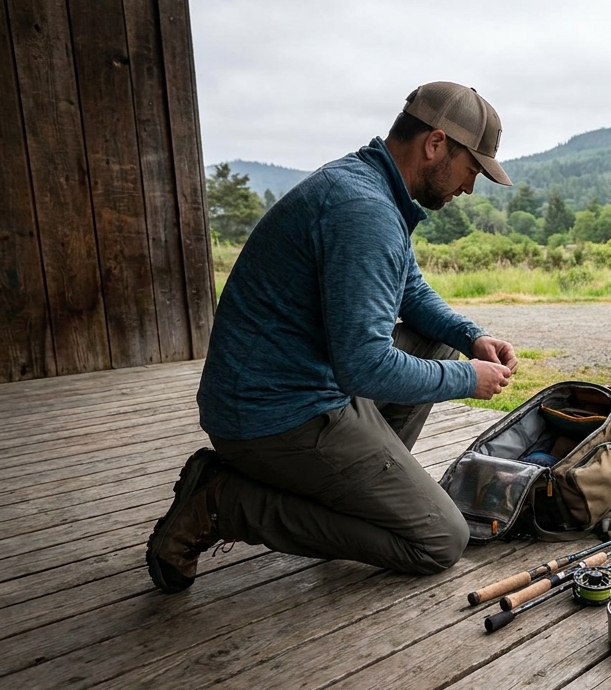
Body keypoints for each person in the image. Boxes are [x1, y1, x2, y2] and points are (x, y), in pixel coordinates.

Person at [145, 82, 521, 594]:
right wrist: (465, 377)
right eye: (472, 169)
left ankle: (364, 495)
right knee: (438, 539)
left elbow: (409, 290)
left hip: (299, 390)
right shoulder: (363, 210)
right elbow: (363, 367)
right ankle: (222, 504)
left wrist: (471, 337)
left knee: (436, 342)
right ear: (436, 144)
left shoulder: (369, 186)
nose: (469, 187)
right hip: (272, 417)